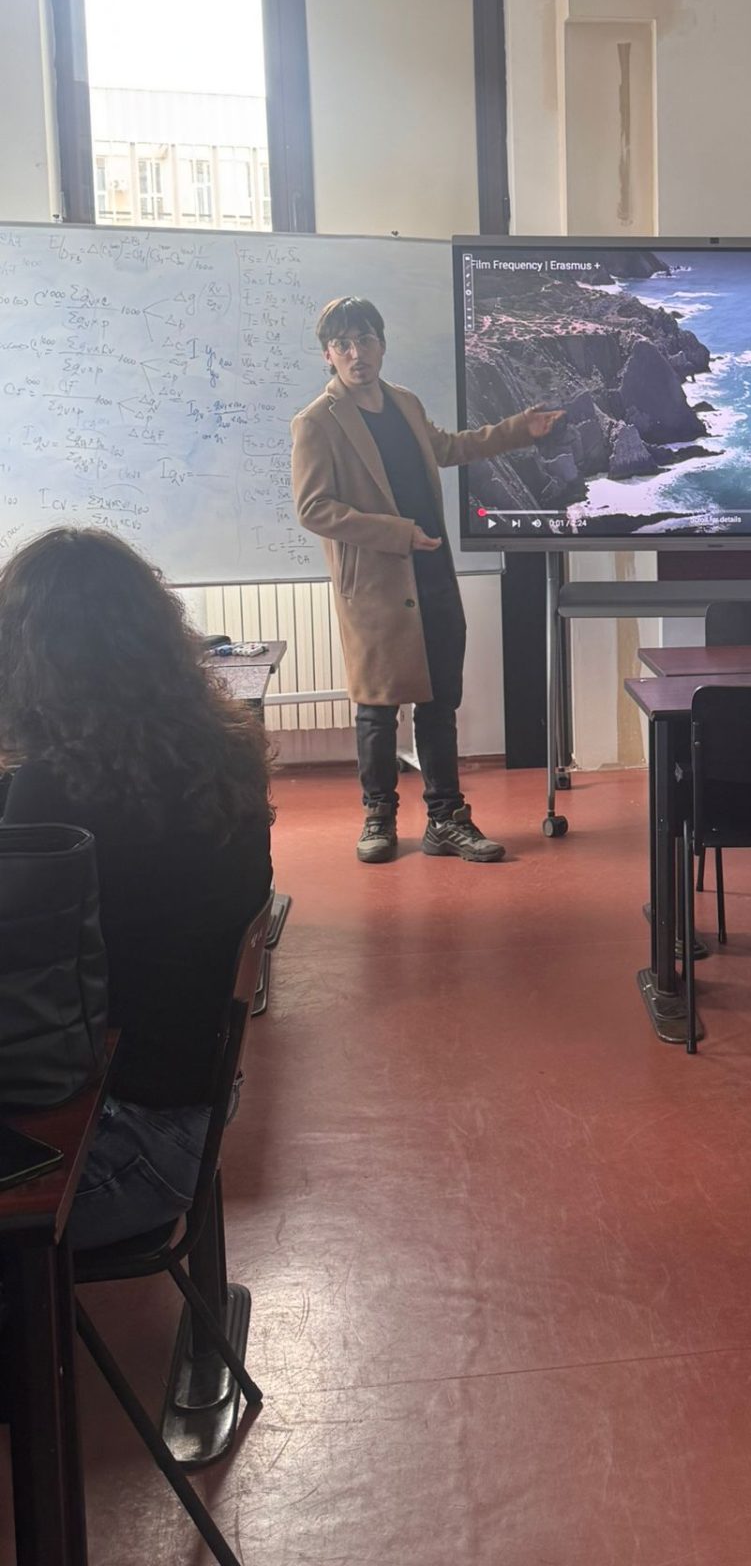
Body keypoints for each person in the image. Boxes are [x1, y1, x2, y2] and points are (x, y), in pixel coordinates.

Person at [0, 528, 274, 1252]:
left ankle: (33, 1318)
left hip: (126, 1148)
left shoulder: (55, 792)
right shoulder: (219, 748)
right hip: (192, 1110)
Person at [291, 296, 562, 866]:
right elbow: (314, 509)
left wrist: (520, 429)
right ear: (328, 355)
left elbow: (449, 448)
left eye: (365, 340)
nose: (356, 353)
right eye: (343, 344)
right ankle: (379, 817)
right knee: (377, 707)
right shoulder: (317, 422)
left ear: (382, 345)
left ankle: (446, 819)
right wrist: (397, 533)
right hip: (375, 583)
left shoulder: (405, 403)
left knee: (440, 702)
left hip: (433, 571)